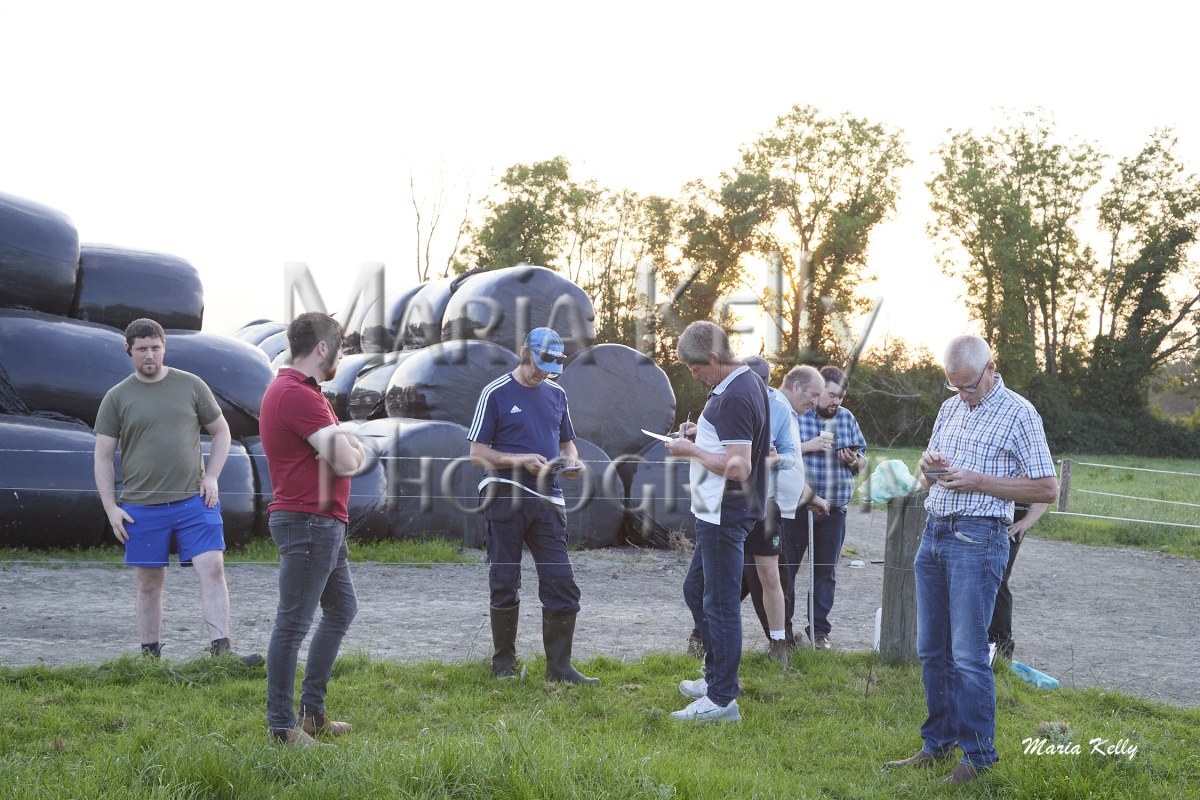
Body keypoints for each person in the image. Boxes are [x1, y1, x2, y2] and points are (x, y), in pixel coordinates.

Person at [885, 335, 1057, 785]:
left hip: (978, 539)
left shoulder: (1020, 413)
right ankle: (937, 744)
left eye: (969, 385)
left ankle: (978, 757)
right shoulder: (950, 409)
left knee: (968, 654)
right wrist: (929, 467)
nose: (962, 394)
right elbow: (927, 478)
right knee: (931, 649)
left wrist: (979, 481)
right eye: (954, 386)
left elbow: (1046, 488)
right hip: (935, 532)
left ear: (991, 369)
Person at [93, 318, 262, 666]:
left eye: (155, 347)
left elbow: (221, 432)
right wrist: (110, 508)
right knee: (149, 582)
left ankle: (222, 654)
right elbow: (103, 456)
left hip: (195, 500)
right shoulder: (116, 397)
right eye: (142, 349)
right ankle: (149, 660)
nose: (149, 355)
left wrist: (212, 476)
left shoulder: (191, 385)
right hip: (141, 506)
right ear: (129, 350)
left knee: (212, 567)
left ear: (164, 347)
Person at [260, 311, 367, 747]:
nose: (340, 358)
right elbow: (346, 461)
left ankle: (312, 714)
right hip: (309, 521)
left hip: (322, 521)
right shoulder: (296, 395)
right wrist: (351, 450)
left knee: (342, 609)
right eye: (339, 349)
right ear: (322, 347)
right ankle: (282, 728)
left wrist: (346, 448)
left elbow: (342, 453)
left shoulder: (304, 392)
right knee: (292, 624)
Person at [467, 327, 598, 686]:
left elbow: (567, 443)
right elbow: (477, 454)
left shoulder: (557, 394)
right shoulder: (494, 393)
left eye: (551, 367)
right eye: (540, 365)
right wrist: (520, 460)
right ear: (524, 352)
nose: (544, 373)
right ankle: (504, 667)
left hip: (549, 499)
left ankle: (560, 669)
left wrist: (572, 461)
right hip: (504, 495)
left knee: (561, 580)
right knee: (505, 579)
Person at [664, 322, 769, 723]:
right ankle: (716, 677)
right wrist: (702, 435)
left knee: (720, 604)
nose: (694, 376)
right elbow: (735, 441)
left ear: (712, 358)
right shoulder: (742, 382)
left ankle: (722, 699)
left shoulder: (736, 395)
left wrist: (690, 450)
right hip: (718, 510)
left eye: (695, 369)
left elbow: (739, 466)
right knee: (696, 591)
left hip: (726, 512)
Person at [791, 365, 867, 649]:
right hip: (799, 508)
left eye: (841, 397)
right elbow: (777, 453)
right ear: (819, 390)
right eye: (832, 395)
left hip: (834, 510)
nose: (837, 401)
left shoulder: (846, 418)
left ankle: (819, 632)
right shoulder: (797, 415)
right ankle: (783, 631)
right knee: (788, 569)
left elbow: (862, 460)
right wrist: (808, 445)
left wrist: (853, 460)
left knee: (825, 572)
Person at [736, 356, 799, 668]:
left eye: (761, 382)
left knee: (770, 574)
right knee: (722, 575)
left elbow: (790, 455)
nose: (756, 387)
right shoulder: (728, 399)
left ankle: (779, 643)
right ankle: (709, 640)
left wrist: (775, 459)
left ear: (768, 381)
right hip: (730, 500)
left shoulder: (780, 408)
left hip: (765, 502)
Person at [775, 365, 831, 647]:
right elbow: (774, 462)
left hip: (785, 509)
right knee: (771, 578)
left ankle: (782, 640)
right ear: (796, 386)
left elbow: (792, 470)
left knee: (774, 578)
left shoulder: (791, 415)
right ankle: (780, 640)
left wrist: (812, 498)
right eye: (814, 394)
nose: (816, 402)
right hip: (771, 512)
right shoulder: (778, 410)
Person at [989, 502, 1048, 662]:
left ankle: (1000, 648)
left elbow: (1045, 492)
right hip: (985, 517)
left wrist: (1026, 522)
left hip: (1011, 520)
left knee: (997, 580)